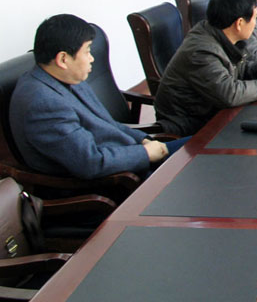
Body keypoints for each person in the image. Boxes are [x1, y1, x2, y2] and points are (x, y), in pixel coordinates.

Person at [9, 14, 175, 179]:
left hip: (127, 156)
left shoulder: (66, 76)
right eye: (87, 51)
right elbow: (91, 163)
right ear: (63, 59)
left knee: (189, 148)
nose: (92, 58)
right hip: (116, 180)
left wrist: (144, 140)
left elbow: (108, 124)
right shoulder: (43, 105)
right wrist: (145, 153)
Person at [155, 0, 257, 136]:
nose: (255, 23)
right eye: (255, 18)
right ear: (239, 23)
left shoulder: (218, 33)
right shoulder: (202, 51)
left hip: (211, 114)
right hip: (189, 126)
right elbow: (229, 93)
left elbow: (239, 68)